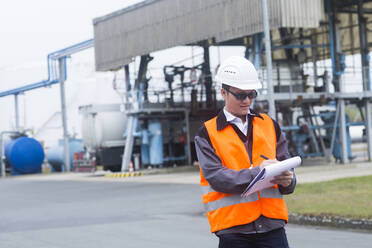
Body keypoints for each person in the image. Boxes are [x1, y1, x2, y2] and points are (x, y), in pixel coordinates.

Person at [194, 56, 296, 248]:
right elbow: (217, 177)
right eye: (241, 95)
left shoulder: (269, 125)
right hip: (234, 230)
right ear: (224, 92)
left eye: (252, 94)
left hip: (272, 227)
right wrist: (258, 172)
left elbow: (286, 165)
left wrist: (289, 181)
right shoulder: (207, 133)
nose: (247, 100)